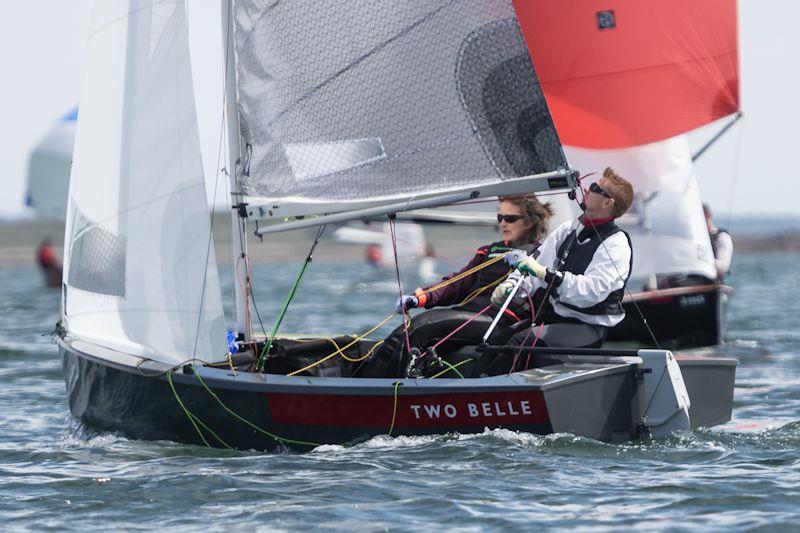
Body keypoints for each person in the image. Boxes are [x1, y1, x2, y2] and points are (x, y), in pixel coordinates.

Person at [357, 195, 554, 378]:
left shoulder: (539, 255)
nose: (502, 223)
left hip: (498, 322)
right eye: (499, 217)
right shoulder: (488, 251)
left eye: (510, 218)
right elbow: (457, 283)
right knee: (405, 331)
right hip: (469, 313)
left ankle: (376, 391)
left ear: (529, 222)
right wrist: (420, 298)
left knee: (420, 329)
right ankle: (363, 384)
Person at [491, 167, 634, 358]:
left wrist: (546, 274)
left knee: (517, 343)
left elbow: (590, 292)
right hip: (555, 318)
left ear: (608, 202)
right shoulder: (568, 229)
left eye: (594, 187)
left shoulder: (616, 244)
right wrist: (512, 284)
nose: (586, 189)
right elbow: (535, 264)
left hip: (586, 327)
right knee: (495, 340)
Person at [703, 203, 733, 281]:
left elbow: (723, 267)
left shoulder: (722, 237)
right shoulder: (692, 239)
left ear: (707, 216)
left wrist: (699, 262)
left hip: (711, 284)